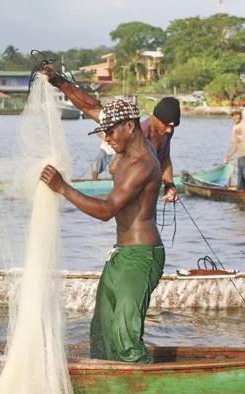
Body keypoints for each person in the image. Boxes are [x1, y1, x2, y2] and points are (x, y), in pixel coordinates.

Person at [40, 99, 165, 363]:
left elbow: (107, 210)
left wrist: (63, 188)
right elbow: (92, 107)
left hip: (141, 256)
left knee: (124, 334)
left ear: (129, 126)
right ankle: (106, 379)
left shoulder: (142, 164)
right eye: (103, 130)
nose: (105, 137)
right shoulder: (126, 146)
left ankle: (142, 381)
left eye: (110, 131)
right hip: (120, 255)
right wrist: (59, 82)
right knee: (103, 330)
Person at [42, 64, 180, 202]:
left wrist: (169, 185)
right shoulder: (138, 134)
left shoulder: (165, 133)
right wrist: (59, 82)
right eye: (167, 125)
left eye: (173, 126)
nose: (169, 130)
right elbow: (91, 107)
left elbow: (165, 160)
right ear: (156, 117)